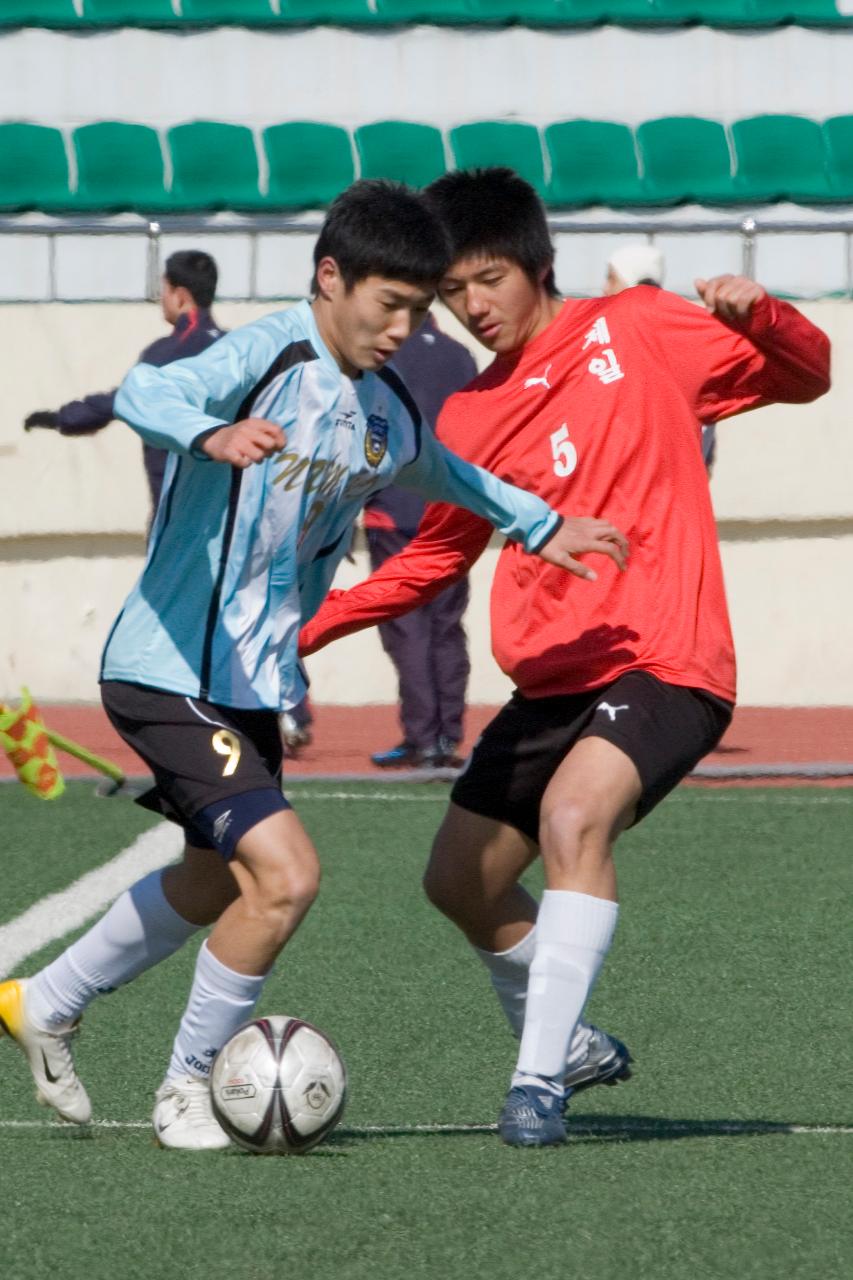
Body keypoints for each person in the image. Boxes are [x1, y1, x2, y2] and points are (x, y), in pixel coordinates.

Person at [0, 179, 628, 1152]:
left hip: (246, 685)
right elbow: (144, 390)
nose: (404, 327)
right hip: (166, 667)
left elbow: (443, 470)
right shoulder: (267, 353)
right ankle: (186, 1092)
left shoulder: (378, 409)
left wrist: (539, 523)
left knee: (216, 881)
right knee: (287, 876)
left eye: (419, 309)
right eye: (391, 304)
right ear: (329, 277)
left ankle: (45, 999)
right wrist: (207, 433)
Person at [299, 167, 831, 1147]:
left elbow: (808, 373)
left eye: (487, 280)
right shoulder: (464, 416)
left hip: (666, 660)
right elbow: (432, 561)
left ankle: (536, 1078)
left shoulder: (638, 326)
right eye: (453, 291)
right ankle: (574, 1040)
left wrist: (766, 318)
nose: (472, 307)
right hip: (550, 683)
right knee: (457, 878)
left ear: (537, 263)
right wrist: (308, 627)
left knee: (572, 815)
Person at [23, 250, 224, 511]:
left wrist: (60, 418)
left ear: (181, 296)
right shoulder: (236, 348)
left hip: (178, 510)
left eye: (164, 289)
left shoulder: (166, 354)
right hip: (230, 508)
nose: (161, 299)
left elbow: (119, 402)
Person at [366, 312, 478, 768]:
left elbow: (367, 431)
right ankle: (446, 737)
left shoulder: (384, 355)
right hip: (452, 508)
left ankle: (421, 736)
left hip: (395, 509)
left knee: (406, 627)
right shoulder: (461, 355)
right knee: (446, 625)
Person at [604, 242, 717, 472]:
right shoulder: (678, 332)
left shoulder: (641, 343)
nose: (605, 289)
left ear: (630, 282)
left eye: (612, 279)